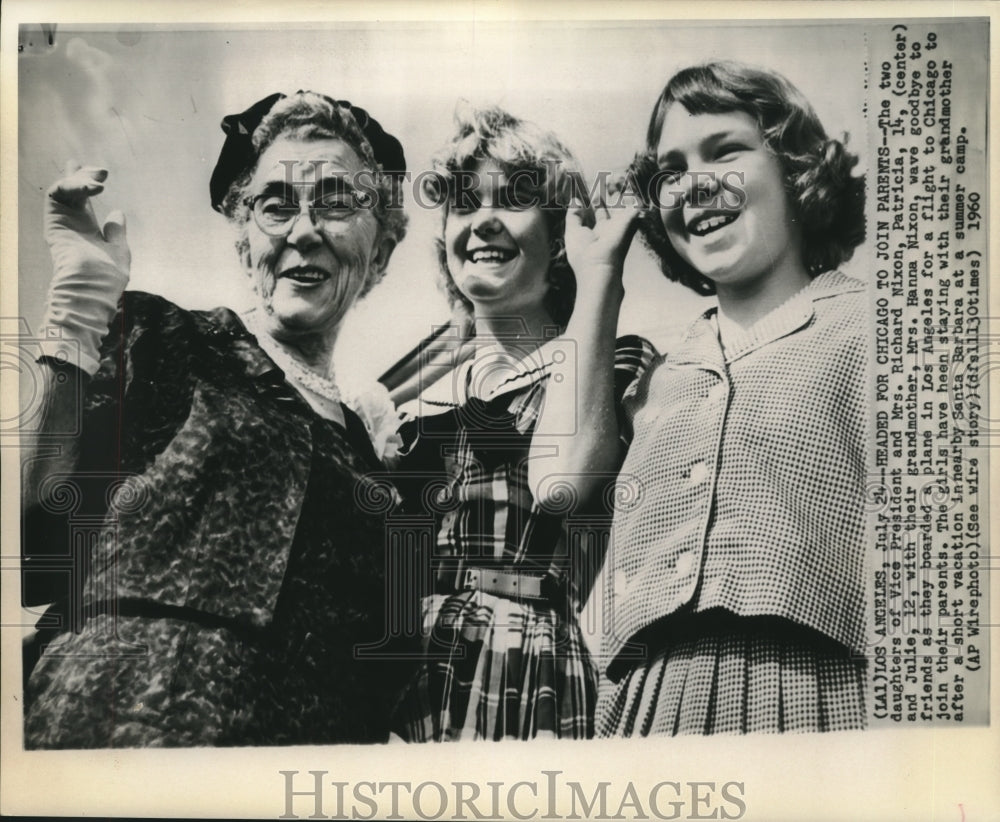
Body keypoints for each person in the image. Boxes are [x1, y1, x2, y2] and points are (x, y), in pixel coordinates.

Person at [22, 91, 414, 747]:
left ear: (379, 253)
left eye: (338, 202)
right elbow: (38, 536)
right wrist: (75, 323)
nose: (305, 228)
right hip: (107, 736)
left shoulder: (375, 471)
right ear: (244, 241)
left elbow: (385, 679)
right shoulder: (165, 341)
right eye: (276, 204)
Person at [582, 61, 868, 735]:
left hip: (815, 701)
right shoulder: (653, 380)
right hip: (641, 715)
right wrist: (600, 271)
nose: (695, 184)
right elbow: (562, 482)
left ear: (795, 168)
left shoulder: (877, 329)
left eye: (726, 150)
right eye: (670, 171)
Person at [389, 104, 656, 741]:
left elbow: (564, 480)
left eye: (513, 199)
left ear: (563, 236)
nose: (482, 220)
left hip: (526, 666)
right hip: (406, 677)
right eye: (462, 202)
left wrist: (601, 278)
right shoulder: (410, 402)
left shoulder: (610, 367)